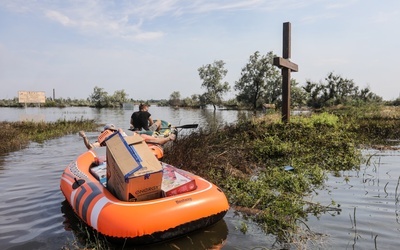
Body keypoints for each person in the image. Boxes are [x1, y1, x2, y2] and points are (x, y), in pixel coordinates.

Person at [79, 123, 175, 150]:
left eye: (113, 129)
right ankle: (166, 138)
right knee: (150, 140)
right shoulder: (102, 141)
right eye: (111, 129)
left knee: (150, 139)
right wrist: (84, 137)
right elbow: (90, 147)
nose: (112, 131)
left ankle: (165, 139)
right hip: (130, 144)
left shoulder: (119, 131)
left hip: (134, 139)